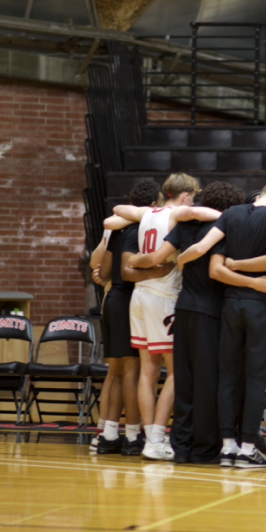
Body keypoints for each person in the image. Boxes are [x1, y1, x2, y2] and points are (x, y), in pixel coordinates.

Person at [177, 183, 266, 468]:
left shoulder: (231, 213)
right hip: (258, 304)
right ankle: (247, 448)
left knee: (227, 375)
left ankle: (228, 447)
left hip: (230, 304)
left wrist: (181, 261)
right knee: (256, 377)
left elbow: (201, 248)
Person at [127, 181, 246, 465]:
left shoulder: (181, 226)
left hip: (183, 306)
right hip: (207, 309)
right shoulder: (225, 229)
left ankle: (179, 443)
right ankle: (204, 446)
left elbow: (157, 256)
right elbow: (220, 271)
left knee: (182, 378)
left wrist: (135, 261)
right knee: (203, 381)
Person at [114, 174, 216, 460]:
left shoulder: (147, 212)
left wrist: (131, 222)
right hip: (163, 298)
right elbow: (196, 212)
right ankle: (157, 437)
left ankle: (150, 437)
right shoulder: (175, 212)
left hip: (140, 296)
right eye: (192, 196)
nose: (193, 202)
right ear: (183, 195)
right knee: (175, 372)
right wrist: (227, 217)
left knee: (148, 370)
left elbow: (119, 210)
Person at [87, 179, 160, 456]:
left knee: (116, 371)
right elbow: (127, 269)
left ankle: (107, 434)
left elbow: (102, 272)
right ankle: (131, 436)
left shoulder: (116, 229)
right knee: (132, 371)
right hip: (130, 298)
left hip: (111, 300)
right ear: (154, 205)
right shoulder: (143, 229)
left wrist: (102, 275)